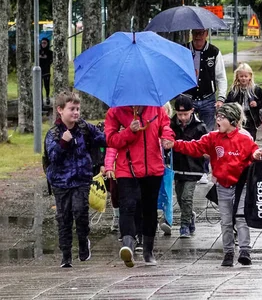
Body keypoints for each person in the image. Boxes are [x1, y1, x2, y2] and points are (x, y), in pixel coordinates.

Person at [163, 103, 262, 267]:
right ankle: (228, 252)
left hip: (241, 187)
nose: (217, 119)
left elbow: (254, 152)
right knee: (225, 221)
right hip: (222, 186)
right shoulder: (212, 138)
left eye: (222, 117)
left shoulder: (244, 139)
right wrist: (175, 144)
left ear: (232, 120)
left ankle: (245, 250)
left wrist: (257, 154)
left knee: (241, 218)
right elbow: (195, 146)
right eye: (217, 116)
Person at [104, 104, 175, 267]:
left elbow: (166, 126)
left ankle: (148, 251)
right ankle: (128, 245)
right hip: (126, 168)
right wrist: (129, 131)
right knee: (127, 206)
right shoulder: (115, 112)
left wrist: (167, 137)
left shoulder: (156, 109)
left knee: (149, 210)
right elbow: (111, 140)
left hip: (153, 168)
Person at [44, 91, 106, 268]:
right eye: (71, 109)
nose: (76, 112)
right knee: (64, 218)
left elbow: (103, 139)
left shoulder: (84, 128)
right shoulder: (54, 133)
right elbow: (53, 157)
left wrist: (120, 135)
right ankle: (66, 255)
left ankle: (83, 241)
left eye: (78, 109)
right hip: (61, 183)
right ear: (60, 110)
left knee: (80, 212)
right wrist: (63, 143)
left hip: (81, 180)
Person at [184, 28, 227, 183]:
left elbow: (221, 77)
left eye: (201, 33)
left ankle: (203, 170)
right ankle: (188, 168)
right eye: (195, 32)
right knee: (188, 135)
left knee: (207, 134)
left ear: (206, 34)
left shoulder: (214, 52)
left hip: (208, 98)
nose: (198, 36)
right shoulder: (184, 50)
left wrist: (221, 98)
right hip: (189, 98)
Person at [169, 95, 208, 238]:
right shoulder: (170, 125)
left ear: (192, 111)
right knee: (180, 197)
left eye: (185, 114)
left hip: (194, 168)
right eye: (180, 114)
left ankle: (184, 225)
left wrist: (205, 164)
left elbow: (205, 147)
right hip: (178, 167)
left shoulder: (200, 127)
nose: (183, 117)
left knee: (186, 196)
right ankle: (190, 215)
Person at [225, 63, 262, 140]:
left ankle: (251, 150)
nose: (243, 78)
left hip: (251, 118)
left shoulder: (256, 89)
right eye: (241, 76)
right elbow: (228, 102)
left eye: (246, 76)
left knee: (251, 137)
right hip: (238, 118)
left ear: (250, 77)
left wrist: (257, 104)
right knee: (239, 137)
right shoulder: (234, 90)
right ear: (237, 77)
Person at [40, 38, 53, 106]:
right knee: (40, 87)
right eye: (42, 43)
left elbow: (51, 61)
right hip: (39, 72)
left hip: (46, 72)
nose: (43, 44)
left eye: (45, 43)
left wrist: (46, 59)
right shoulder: (39, 52)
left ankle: (47, 96)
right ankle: (40, 100)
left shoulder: (50, 53)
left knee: (46, 86)